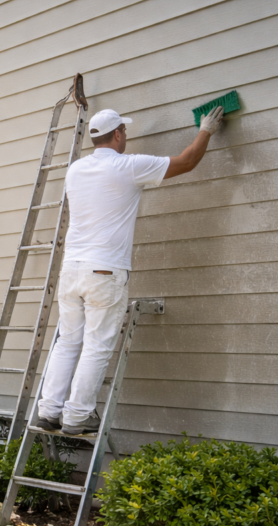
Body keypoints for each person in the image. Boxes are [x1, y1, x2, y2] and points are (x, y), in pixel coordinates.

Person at [36, 106, 225, 435]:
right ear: (119, 134)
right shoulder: (128, 166)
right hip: (104, 273)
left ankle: (49, 411)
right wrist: (206, 129)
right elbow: (187, 161)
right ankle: (77, 417)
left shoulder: (75, 170)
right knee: (96, 345)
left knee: (68, 342)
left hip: (71, 270)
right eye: (125, 131)